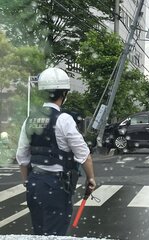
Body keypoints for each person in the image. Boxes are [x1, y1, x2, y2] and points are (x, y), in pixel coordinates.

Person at [16, 67, 96, 236]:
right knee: (55, 234)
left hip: (34, 185)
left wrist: (27, 182)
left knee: (38, 232)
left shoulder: (29, 120)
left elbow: (22, 157)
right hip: (56, 186)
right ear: (64, 94)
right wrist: (91, 179)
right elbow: (84, 155)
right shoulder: (64, 120)